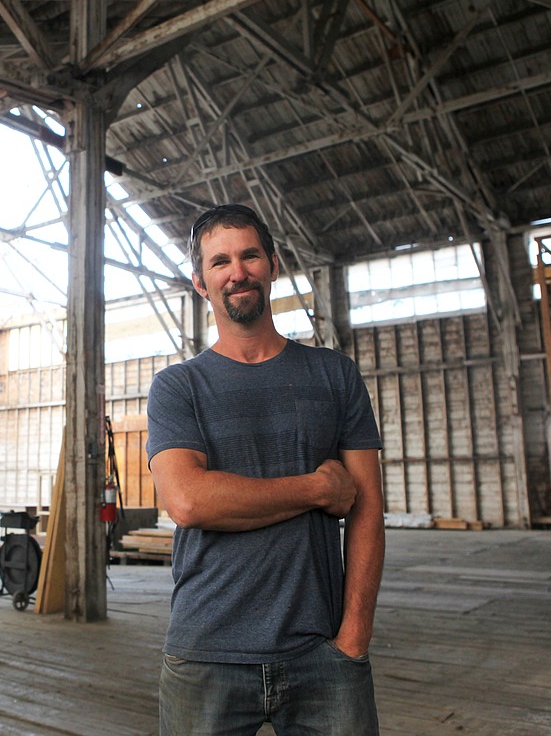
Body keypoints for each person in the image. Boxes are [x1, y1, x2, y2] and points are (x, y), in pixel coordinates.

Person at [146, 203, 385, 735]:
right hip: (206, 650)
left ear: (273, 264)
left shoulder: (334, 375)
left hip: (323, 653)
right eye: (220, 261)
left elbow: (367, 509)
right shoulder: (178, 387)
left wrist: (354, 638)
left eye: (250, 255)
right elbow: (189, 501)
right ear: (201, 283)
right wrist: (317, 488)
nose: (238, 271)